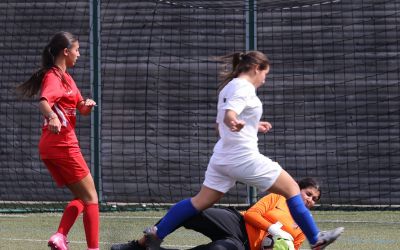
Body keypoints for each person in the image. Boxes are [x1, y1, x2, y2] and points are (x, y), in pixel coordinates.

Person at [114, 51, 343, 250]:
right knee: (293, 188)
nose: (264, 79)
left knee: (198, 203)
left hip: (222, 157)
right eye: (265, 73)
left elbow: (219, 125)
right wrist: (234, 120)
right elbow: (229, 115)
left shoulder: (229, 87)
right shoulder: (244, 87)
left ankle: (143, 244)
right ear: (256, 68)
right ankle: (316, 238)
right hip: (242, 157)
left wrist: (252, 124)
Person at [16, 31, 99, 250]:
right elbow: (44, 102)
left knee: (82, 198)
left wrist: (86, 106)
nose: (79, 54)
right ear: (66, 51)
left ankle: (60, 237)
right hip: (63, 145)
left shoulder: (67, 78)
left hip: (52, 148)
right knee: (91, 198)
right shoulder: (53, 76)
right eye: (77, 50)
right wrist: (52, 116)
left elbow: (79, 108)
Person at [111, 177, 324, 250]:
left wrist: (276, 245)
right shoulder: (278, 197)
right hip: (237, 223)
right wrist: (273, 229)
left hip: (244, 246)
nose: (310, 200)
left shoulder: (303, 228)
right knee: (193, 210)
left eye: (314, 199)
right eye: (308, 194)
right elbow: (251, 214)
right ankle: (138, 245)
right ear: (297, 188)